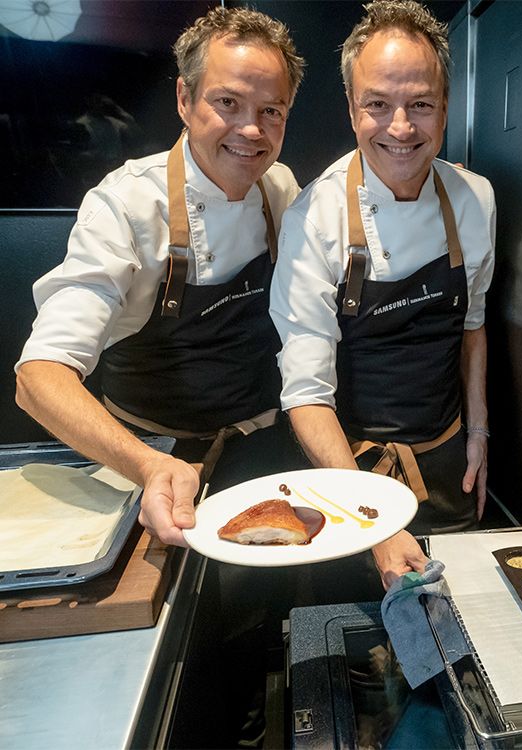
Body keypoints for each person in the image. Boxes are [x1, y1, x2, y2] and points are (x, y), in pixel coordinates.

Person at [15, 8, 306, 746]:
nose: (250, 130)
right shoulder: (127, 206)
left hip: (257, 455)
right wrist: (147, 465)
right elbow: (39, 375)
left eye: (271, 111)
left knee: (251, 628)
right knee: (176, 657)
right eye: (227, 103)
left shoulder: (282, 191)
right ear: (184, 99)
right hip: (150, 465)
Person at [270, 0, 496, 592]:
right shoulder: (313, 217)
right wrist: (374, 519)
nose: (401, 128)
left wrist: (478, 435)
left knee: (460, 645)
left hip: (450, 468)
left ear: (444, 110)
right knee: (359, 647)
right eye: (378, 104)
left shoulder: (475, 201)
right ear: (351, 109)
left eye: (420, 104)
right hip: (348, 474)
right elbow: (307, 395)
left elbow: (471, 325)